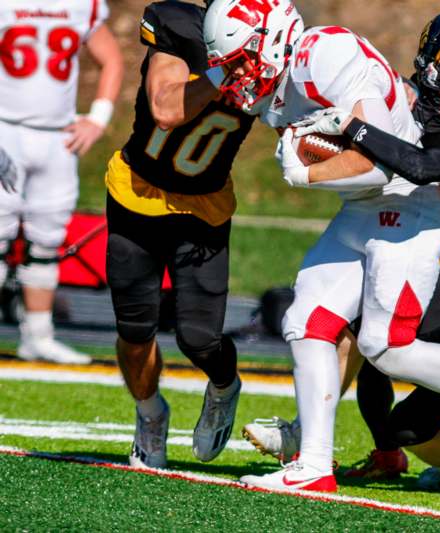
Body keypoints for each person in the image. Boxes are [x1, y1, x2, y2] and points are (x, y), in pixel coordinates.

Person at [205, 0, 440, 493]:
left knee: (385, 346)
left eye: (241, 60)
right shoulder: (274, 81)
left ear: (272, 36)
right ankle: (313, 464)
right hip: (366, 208)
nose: (238, 76)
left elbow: (381, 162)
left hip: (411, 202)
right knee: (307, 319)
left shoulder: (323, 56)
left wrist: (307, 173)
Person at [104, 0, 257, 469]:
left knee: (199, 339)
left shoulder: (281, 55)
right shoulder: (180, 29)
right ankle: (150, 414)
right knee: (135, 332)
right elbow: (166, 108)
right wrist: (225, 73)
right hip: (138, 194)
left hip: (204, 208)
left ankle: (225, 387)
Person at [0, 0, 123, 364]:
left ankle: (38, 335)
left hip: (57, 134)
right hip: (6, 128)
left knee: (48, 238)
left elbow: (111, 58)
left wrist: (98, 118)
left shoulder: (81, 4)